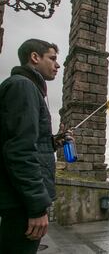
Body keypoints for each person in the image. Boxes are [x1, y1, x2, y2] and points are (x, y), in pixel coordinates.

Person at [0, 39, 67, 253]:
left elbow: (23, 141)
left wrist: (53, 142)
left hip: (19, 199)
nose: (58, 65)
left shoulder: (28, 88)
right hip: (21, 202)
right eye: (53, 58)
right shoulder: (23, 86)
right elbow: (19, 151)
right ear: (35, 57)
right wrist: (37, 207)